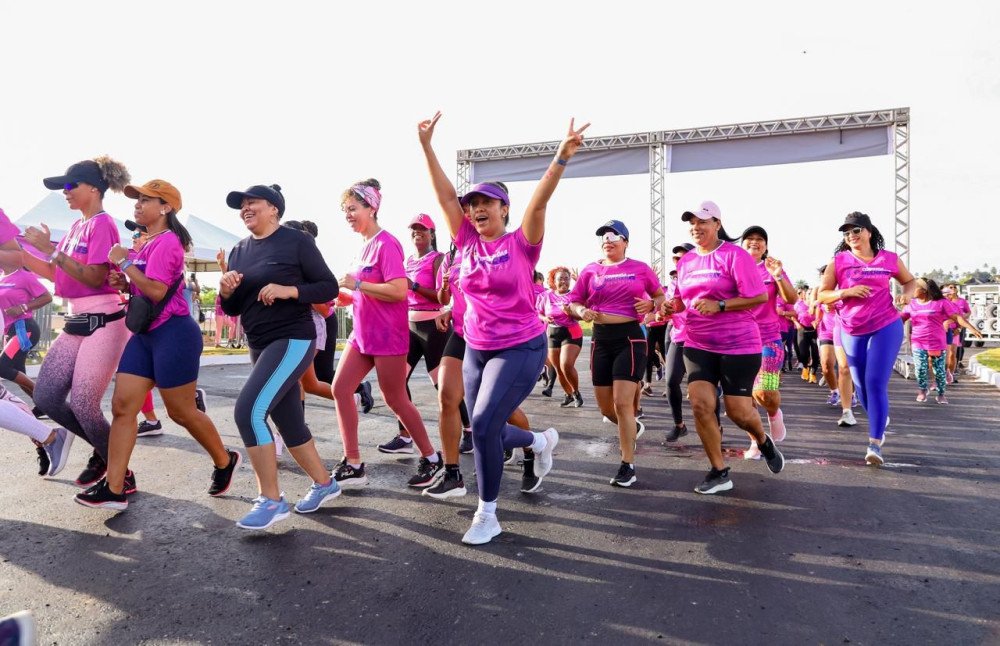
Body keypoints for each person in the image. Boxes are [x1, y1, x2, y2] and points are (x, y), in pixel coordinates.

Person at [419, 111, 583, 544]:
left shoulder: (521, 243)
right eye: (472, 206)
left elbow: (540, 202)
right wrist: (427, 147)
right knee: (482, 425)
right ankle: (538, 442)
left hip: (521, 347)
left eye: (485, 204)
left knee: (487, 424)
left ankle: (487, 513)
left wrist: (560, 157)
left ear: (503, 209)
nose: (475, 211)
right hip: (476, 346)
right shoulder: (467, 242)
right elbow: (445, 195)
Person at [74, 179, 240, 509]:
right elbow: (142, 287)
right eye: (137, 200)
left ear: (165, 207)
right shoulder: (145, 243)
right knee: (122, 407)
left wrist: (124, 264)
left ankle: (224, 460)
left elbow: (158, 292)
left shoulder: (169, 242)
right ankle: (115, 487)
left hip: (174, 334)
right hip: (145, 335)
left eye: (145, 200)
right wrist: (125, 278)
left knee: (181, 411)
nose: (137, 205)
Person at [220, 184, 340, 529]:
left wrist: (290, 291)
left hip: (292, 339)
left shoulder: (296, 241)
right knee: (289, 423)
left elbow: (328, 287)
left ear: (274, 209)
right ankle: (324, 483)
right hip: (258, 342)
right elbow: (234, 305)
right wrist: (228, 291)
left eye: (252, 202)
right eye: (241, 205)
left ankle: (271, 500)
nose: (245, 208)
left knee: (248, 411)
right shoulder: (239, 250)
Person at [21, 156, 132, 487]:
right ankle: (103, 450)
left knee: (84, 405)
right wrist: (26, 253)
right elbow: (59, 275)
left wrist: (51, 251)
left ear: (94, 189)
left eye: (70, 186)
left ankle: (119, 473)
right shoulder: (75, 226)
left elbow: (97, 275)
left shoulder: (103, 224)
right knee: (46, 396)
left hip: (104, 320)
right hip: (76, 318)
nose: (65, 193)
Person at [332, 179, 442, 489]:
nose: (348, 215)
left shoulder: (387, 243)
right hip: (362, 334)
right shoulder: (362, 247)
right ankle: (353, 463)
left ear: (372, 208)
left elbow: (397, 290)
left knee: (395, 399)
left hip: (388, 335)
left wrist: (358, 285)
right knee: (340, 389)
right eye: (345, 210)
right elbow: (358, 295)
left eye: (353, 208)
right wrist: (336, 297)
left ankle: (432, 459)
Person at [669, 201, 784, 494]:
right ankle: (719, 471)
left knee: (738, 413)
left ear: (717, 224)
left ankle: (763, 439)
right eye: (692, 223)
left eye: (703, 221)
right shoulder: (686, 262)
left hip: (739, 344)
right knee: (700, 404)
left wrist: (720, 305)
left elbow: (757, 297)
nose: (696, 227)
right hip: (697, 343)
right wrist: (665, 307)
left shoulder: (735, 255)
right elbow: (681, 300)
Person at [568, 220, 664, 486]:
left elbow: (659, 297)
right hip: (600, 340)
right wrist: (581, 311)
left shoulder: (640, 268)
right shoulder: (590, 270)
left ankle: (627, 465)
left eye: (614, 236)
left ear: (626, 242)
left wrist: (651, 304)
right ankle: (632, 426)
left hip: (630, 338)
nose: (608, 240)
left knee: (623, 403)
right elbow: (573, 301)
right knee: (606, 409)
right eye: (604, 237)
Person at [818, 211, 916, 466]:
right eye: (846, 232)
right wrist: (846, 291)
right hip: (851, 329)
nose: (851, 236)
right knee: (860, 387)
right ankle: (878, 417)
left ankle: (875, 443)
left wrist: (906, 295)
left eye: (856, 230)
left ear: (869, 232)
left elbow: (909, 282)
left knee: (875, 382)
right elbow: (822, 295)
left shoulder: (889, 259)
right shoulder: (839, 261)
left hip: (886, 324)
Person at [377, 214, 463, 455]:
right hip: (409, 325)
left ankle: (468, 430)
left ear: (432, 234)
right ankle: (405, 437)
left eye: (423, 229)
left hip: (433, 327)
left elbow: (441, 297)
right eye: (414, 229)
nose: (418, 233)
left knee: (444, 386)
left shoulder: (438, 259)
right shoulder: (407, 261)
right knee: (397, 382)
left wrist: (412, 285)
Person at [739, 226, 796, 461]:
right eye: (749, 239)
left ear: (766, 245)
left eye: (759, 239)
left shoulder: (772, 269)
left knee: (764, 391)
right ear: (741, 245)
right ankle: (756, 441)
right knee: (744, 399)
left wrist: (778, 275)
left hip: (769, 339)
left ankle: (774, 413)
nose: (754, 242)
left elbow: (791, 299)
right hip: (738, 340)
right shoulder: (733, 269)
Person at [903, 278, 982, 404]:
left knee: (939, 370)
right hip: (918, 342)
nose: (912, 291)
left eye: (915, 288)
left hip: (937, 343)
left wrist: (971, 328)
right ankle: (923, 390)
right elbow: (900, 319)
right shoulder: (912, 304)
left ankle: (941, 394)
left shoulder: (941, 303)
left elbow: (957, 317)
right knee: (920, 368)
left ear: (924, 290)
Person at [539, 266, 583, 407]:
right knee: (558, 369)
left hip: (571, 332)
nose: (563, 281)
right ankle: (568, 394)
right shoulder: (546, 296)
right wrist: (545, 319)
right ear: (554, 280)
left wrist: (569, 312)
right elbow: (537, 312)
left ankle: (576, 393)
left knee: (566, 365)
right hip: (553, 334)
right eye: (560, 278)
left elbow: (583, 316)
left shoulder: (575, 295)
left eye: (566, 278)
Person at [663, 245, 693, 443]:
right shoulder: (673, 285)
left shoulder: (703, 280)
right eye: (676, 259)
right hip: (679, 337)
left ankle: (716, 426)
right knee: (671, 381)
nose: (678, 262)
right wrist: (661, 311)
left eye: (683, 258)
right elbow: (668, 309)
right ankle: (679, 425)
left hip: (702, 339)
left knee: (705, 388)